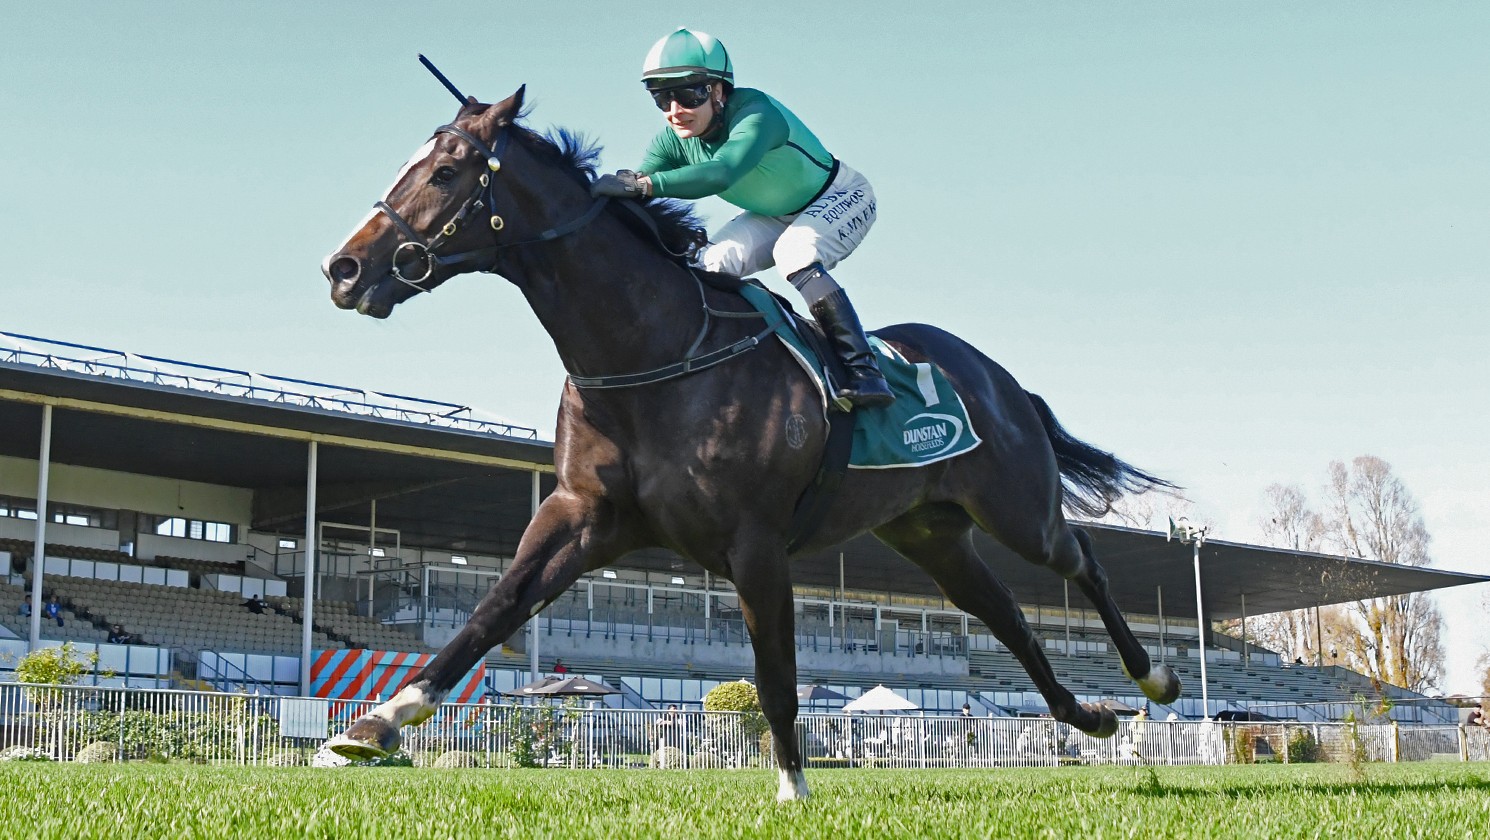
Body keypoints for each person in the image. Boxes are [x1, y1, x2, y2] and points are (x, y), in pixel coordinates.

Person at [593, 27, 894, 409]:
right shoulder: (671, 141)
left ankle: (865, 371)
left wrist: (643, 185)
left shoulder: (756, 113)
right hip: (772, 214)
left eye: (688, 94)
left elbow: (721, 173)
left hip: (840, 195)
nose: (675, 111)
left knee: (795, 254)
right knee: (706, 266)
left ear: (719, 91)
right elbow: (639, 188)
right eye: (662, 97)